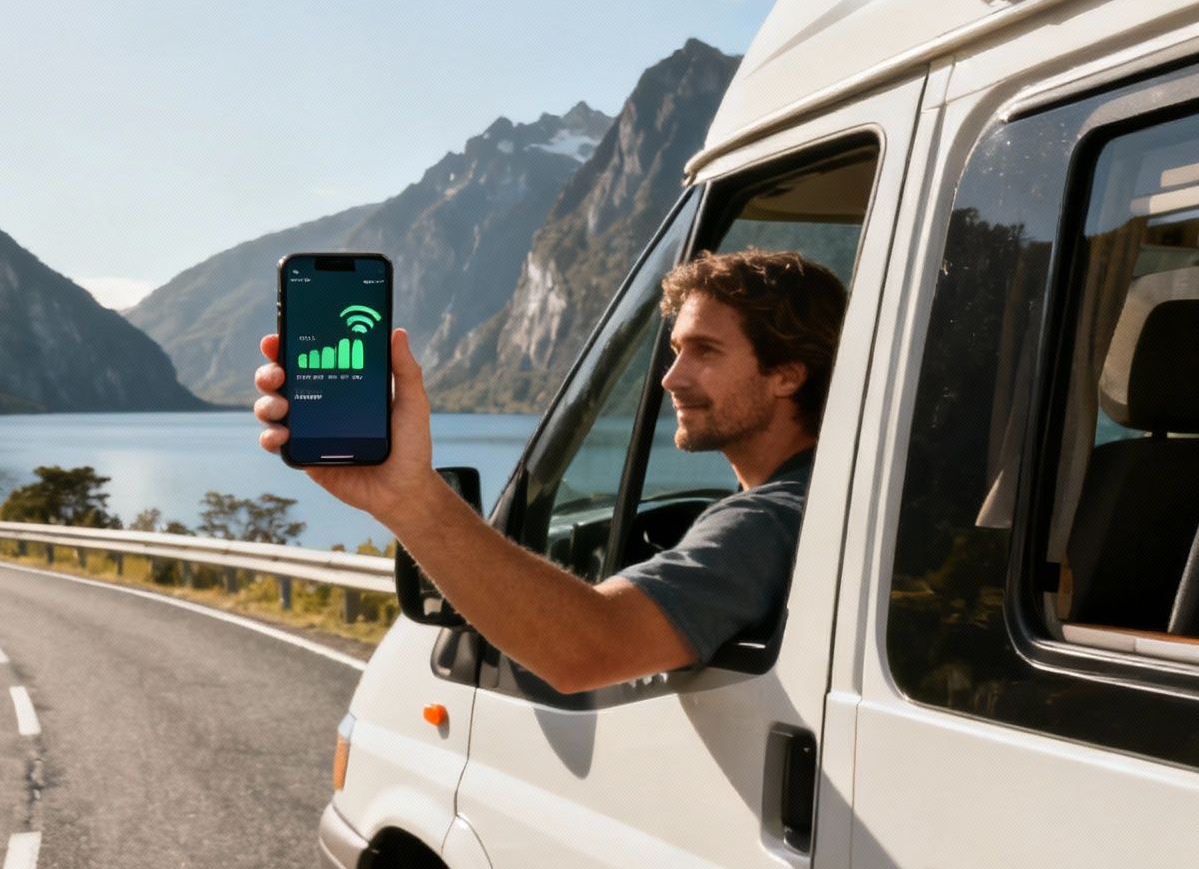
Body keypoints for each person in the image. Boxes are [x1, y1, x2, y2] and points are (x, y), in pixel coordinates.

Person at [253, 248, 848, 692]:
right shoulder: (831, 493)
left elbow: (589, 648)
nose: (671, 378)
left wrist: (408, 498)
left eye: (706, 352)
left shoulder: (772, 520)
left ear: (787, 374)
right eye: (674, 350)